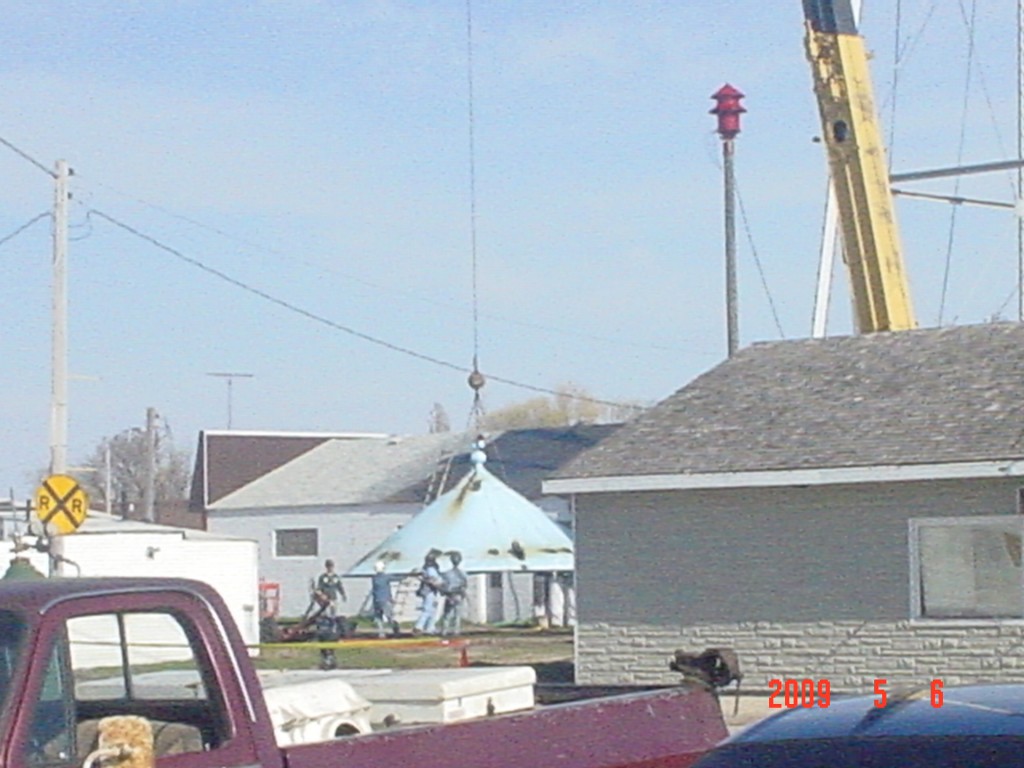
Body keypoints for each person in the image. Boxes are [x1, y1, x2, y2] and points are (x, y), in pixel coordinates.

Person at [412, 551, 443, 635]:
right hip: (430, 591)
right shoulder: (431, 569)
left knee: (433, 610)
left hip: (431, 591)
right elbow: (433, 580)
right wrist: (441, 586)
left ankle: (430, 628)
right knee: (427, 609)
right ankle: (418, 626)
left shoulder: (425, 569)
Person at [439, 551, 468, 637]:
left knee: (447, 614)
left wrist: (443, 592)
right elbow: (465, 584)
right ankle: (456, 631)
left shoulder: (447, 574)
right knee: (457, 613)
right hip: (458, 594)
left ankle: (444, 630)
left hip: (450, 595)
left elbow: (443, 584)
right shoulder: (463, 573)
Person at [370, 561, 401, 638]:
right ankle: (395, 630)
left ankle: (381, 633)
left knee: (378, 617)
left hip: (376, 600)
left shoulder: (374, 578)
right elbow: (397, 578)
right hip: (385, 600)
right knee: (389, 616)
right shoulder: (386, 577)